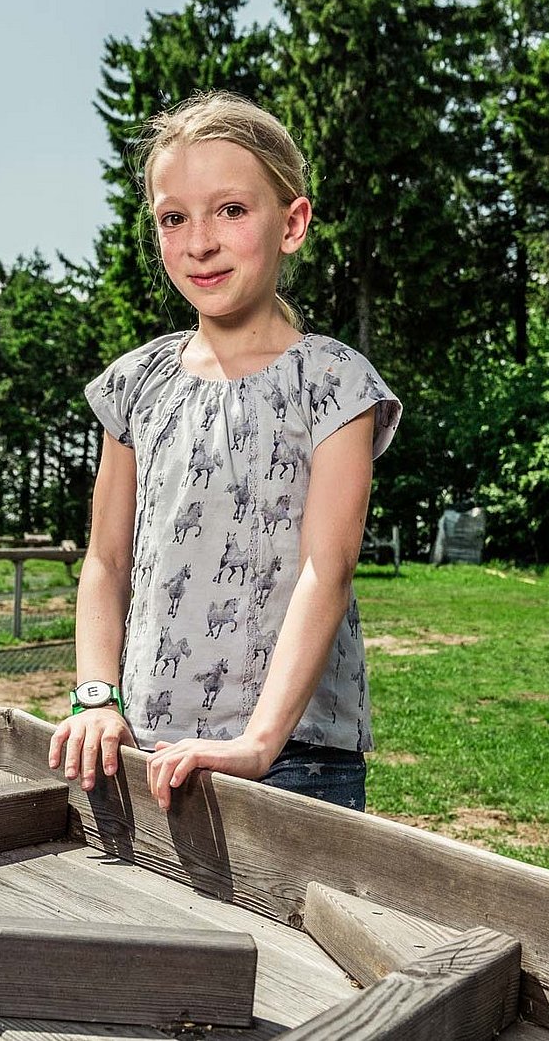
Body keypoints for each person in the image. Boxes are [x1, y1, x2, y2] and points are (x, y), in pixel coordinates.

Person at [48, 90, 401, 812]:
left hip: (295, 762)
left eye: (231, 211)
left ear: (292, 223)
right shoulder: (136, 383)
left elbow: (323, 570)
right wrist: (95, 699)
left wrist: (260, 742)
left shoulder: (333, 381)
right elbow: (108, 561)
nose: (199, 241)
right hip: (144, 750)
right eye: (174, 218)